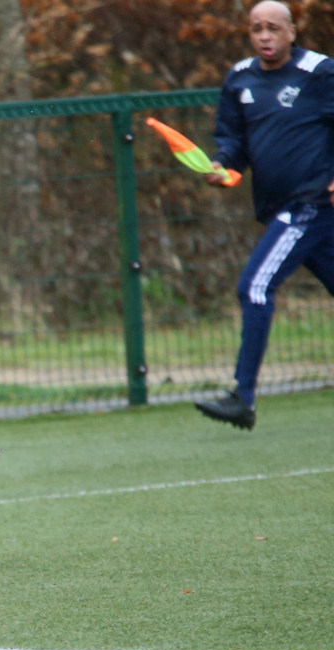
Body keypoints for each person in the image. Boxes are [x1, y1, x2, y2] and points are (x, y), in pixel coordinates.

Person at [195, 0, 334, 430]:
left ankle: (243, 396)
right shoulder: (240, 78)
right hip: (281, 208)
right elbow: (231, 140)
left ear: (293, 31)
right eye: (257, 29)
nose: (265, 36)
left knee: (254, 286)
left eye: (274, 28)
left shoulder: (320, 72)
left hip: (310, 205)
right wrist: (224, 167)